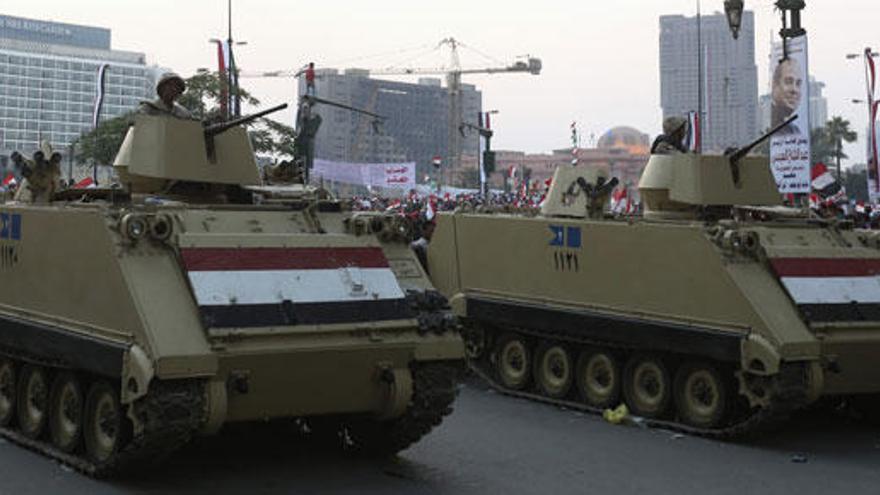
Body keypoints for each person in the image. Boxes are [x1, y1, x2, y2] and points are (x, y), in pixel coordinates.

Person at [771, 57, 803, 135]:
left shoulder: (795, 130)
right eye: (788, 82)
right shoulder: (768, 124)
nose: (794, 90)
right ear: (775, 85)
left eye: (798, 84)